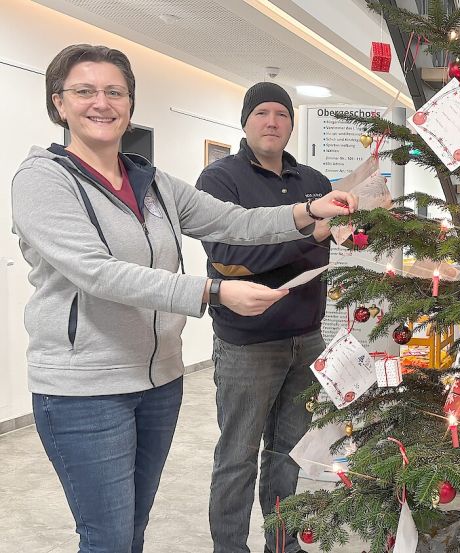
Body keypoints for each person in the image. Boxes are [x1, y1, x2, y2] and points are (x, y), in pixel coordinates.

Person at [9, 44, 356, 553]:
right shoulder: (43, 179)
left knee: (132, 529)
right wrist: (212, 291)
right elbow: (99, 273)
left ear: (130, 103)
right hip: (84, 389)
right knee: (107, 537)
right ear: (58, 103)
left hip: (158, 381)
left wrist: (306, 210)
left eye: (115, 91)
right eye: (84, 91)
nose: (101, 102)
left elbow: (233, 222)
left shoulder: (153, 184)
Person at [197, 82, 334, 553]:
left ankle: (284, 545)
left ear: (292, 124)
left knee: (289, 455)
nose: (271, 121)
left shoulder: (314, 181)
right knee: (237, 457)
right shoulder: (220, 180)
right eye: (261, 112)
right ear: (245, 121)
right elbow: (230, 255)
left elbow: (325, 245)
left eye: (281, 113)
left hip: (307, 339)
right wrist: (306, 234)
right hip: (246, 344)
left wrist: (326, 234)